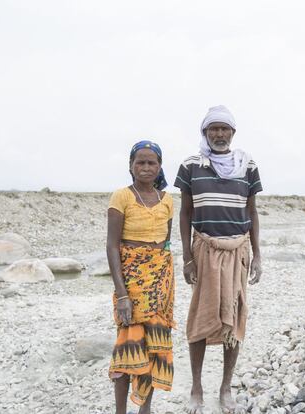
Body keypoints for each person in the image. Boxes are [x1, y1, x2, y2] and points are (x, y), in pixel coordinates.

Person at [174, 105, 263, 413]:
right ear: (205, 132)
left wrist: (258, 256)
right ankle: (196, 387)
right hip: (204, 250)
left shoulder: (246, 165)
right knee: (200, 316)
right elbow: (185, 213)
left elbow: (251, 213)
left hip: (239, 251)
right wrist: (187, 256)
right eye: (214, 129)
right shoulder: (191, 165)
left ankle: (225, 387)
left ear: (233, 133)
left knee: (234, 317)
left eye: (225, 129)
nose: (219, 134)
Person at [107, 140, 175, 414]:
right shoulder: (121, 196)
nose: (146, 167)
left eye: (152, 162)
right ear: (131, 166)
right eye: (140, 162)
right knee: (127, 351)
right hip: (131, 286)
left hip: (160, 284)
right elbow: (112, 245)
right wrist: (122, 294)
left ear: (159, 167)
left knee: (154, 349)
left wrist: (162, 280)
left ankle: (145, 409)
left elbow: (166, 244)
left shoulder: (167, 200)